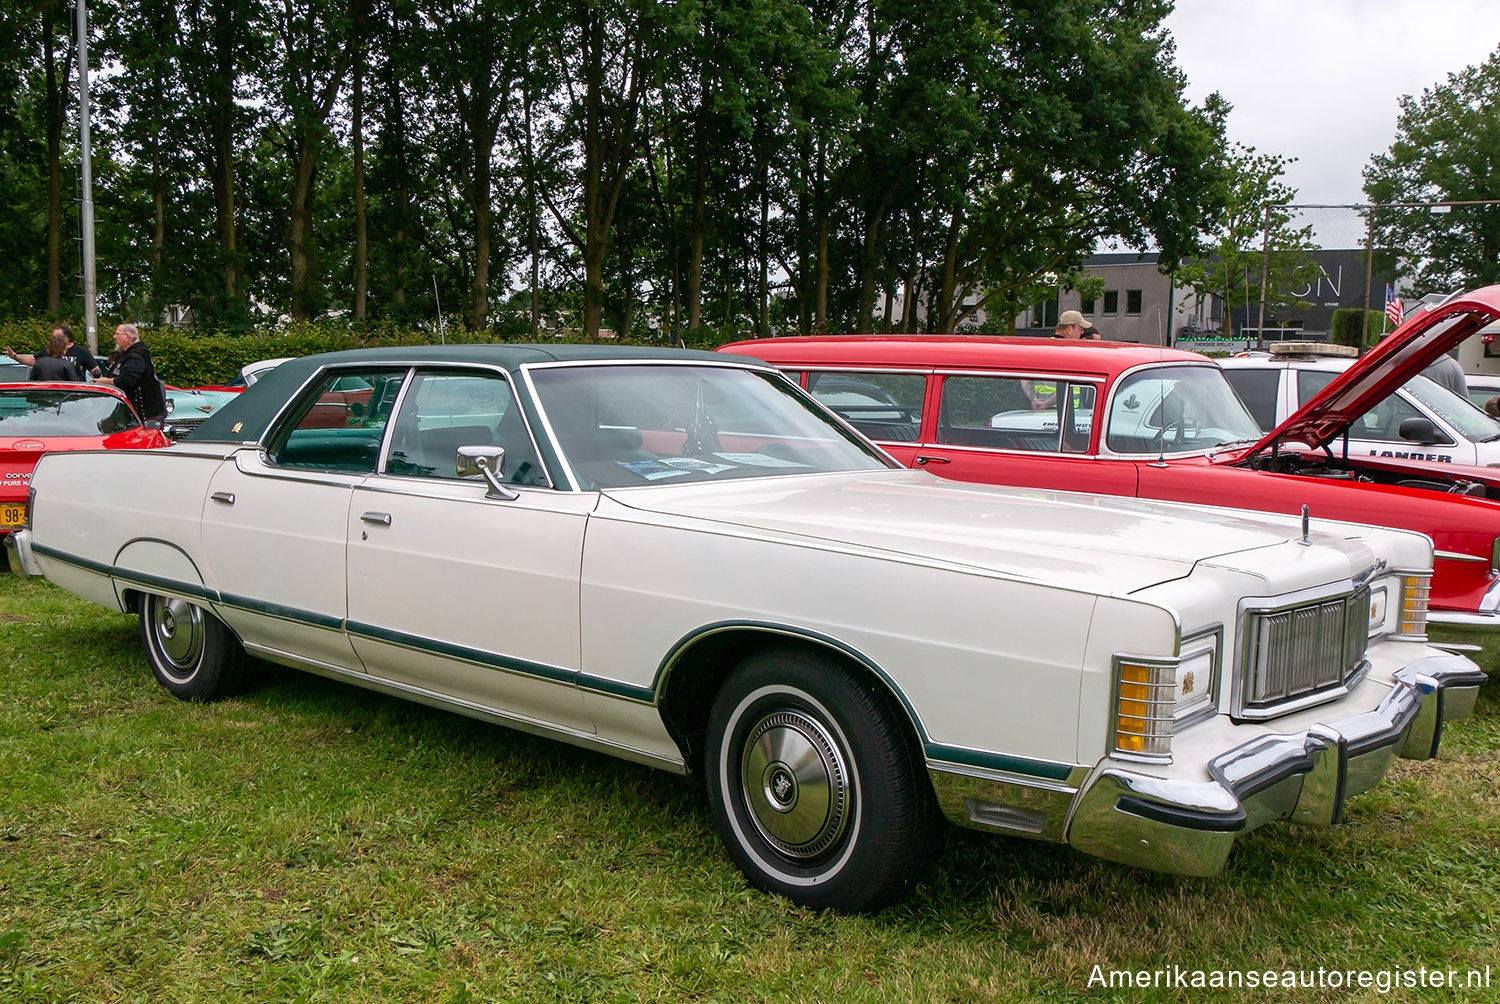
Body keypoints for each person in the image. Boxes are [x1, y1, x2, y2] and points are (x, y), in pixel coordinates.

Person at [97, 323, 166, 422]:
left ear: (128, 336)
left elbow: (126, 381)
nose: (114, 337)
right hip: (129, 413)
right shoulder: (128, 354)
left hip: (140, 417)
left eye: (117, 334)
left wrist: (104, 381)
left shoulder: (137, 357)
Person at [4, 323, 99, 378]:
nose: (55, 340)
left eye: (58, 337)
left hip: (72, 397)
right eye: (53, 337)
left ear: (67, 337)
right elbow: (32, 360)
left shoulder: (81, 351)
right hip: (50, 396)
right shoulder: (49, 351)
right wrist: (15, 356)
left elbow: (95, 370)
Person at [19, 332, 84, 381]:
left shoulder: (39, 363)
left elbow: (32, 382)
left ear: (49, 348)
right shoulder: (67, 364)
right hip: (62, 397)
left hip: (42, 396)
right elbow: (74, 384)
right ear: (63, 349)